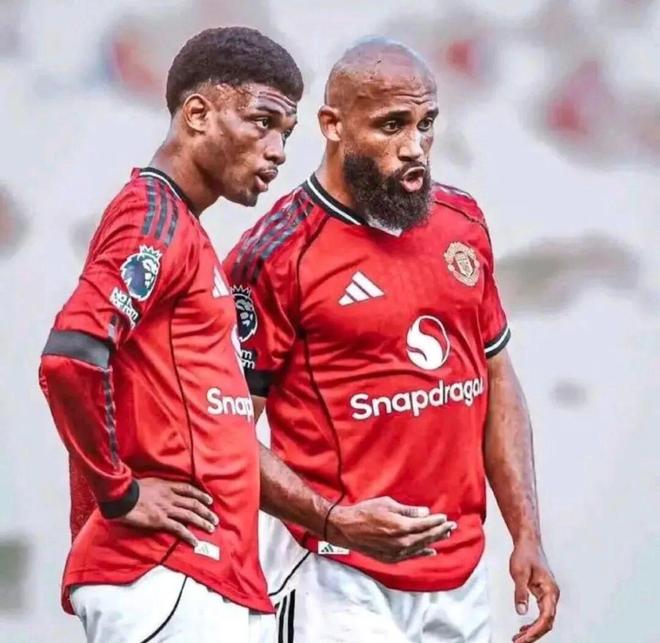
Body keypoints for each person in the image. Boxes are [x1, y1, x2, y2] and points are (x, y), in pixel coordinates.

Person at [223, 38, 560, 643]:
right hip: (334, 574)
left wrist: (526, 532)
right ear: (332, 125)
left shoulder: (461, 222)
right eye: (391, 125)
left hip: (458, 579)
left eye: (426, 124)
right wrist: (336, 520)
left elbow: (496, 379)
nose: (414, 147)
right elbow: (222, 432)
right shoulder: (274, 255)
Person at [38, 26, 303, 643]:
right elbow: (71, 356)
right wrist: (120, 495)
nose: (277, 151)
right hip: (168, 571)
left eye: (286, 135)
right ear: (198, 114)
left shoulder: (183, 228)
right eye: (262, 122)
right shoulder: (152, 216)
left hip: (206, 577)